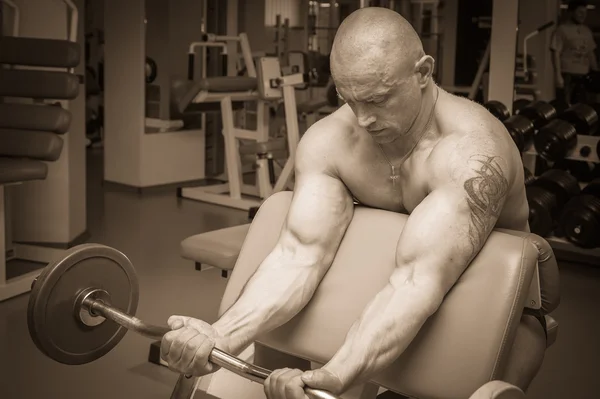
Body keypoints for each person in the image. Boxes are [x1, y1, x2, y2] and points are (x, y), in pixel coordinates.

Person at [161, 7, 545, 398]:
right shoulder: (331, 141)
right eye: (348, 99)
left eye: (378, 100)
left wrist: (336, 375)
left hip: (491, 308)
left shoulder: (472, 154)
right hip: (384, 289)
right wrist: (218, 334)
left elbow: (416, 280)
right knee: (268, 356)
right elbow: (300, 254)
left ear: (424, 72)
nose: (362, 120)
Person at [550, 0, 598, 107]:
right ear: (571, 12)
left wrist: (595, 72)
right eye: (580, 12)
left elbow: (591, 53)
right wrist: (558, 75)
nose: (583, 15)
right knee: (565, 106)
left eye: (585, 13)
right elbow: (556, 53)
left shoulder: (586, 31)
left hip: (584, 75)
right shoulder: (561, 30)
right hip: (567, 74)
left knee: (582, 108)